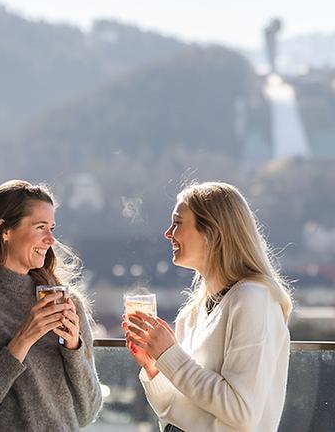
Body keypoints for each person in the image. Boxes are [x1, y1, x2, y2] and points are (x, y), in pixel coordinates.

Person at [124, 181, 292, 432]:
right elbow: (172, 412)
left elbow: (241, 412)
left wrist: (170, 354)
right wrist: (154, 366)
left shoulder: (253, 299)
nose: (168, 233)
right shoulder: (191, 314)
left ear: (211, 232)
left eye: (178, 222)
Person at [0, 180, 102, 431]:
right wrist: (23, 340)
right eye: (40, 227)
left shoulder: (67, 304)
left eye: (52, 228)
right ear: (5, 230)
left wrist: (74, 349)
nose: (50, 239)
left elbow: (87, 412)